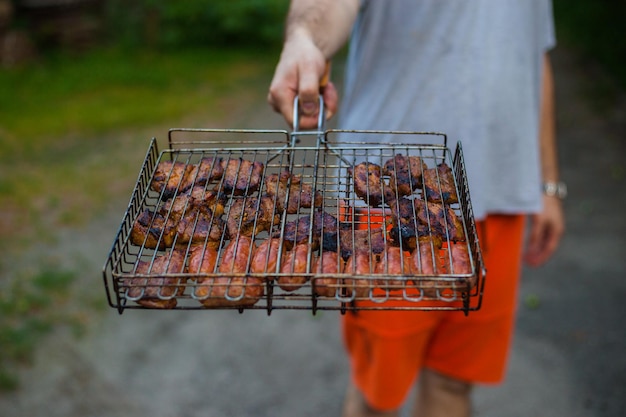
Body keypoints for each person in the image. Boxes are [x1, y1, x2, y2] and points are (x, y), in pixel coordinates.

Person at [268, 1, 566, 416]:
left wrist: (547, 183)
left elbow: (533, 55)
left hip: (503, 193)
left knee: (453, 382)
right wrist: (304, 39)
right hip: (386, 206)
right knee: (379, 395)